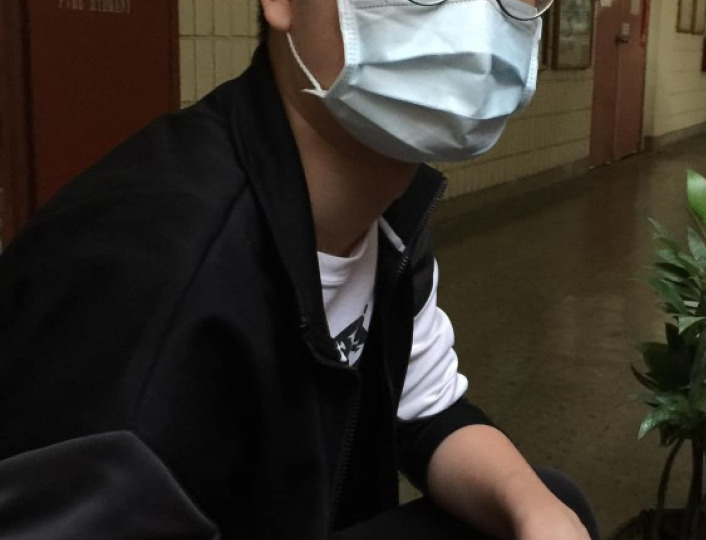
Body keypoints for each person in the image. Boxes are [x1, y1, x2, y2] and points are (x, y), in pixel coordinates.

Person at [0, 0, 600, 538]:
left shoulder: (385, 211)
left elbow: (426, 410)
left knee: (549, 500)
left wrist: (533, 512)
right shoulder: (150, 284)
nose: (475, 20)